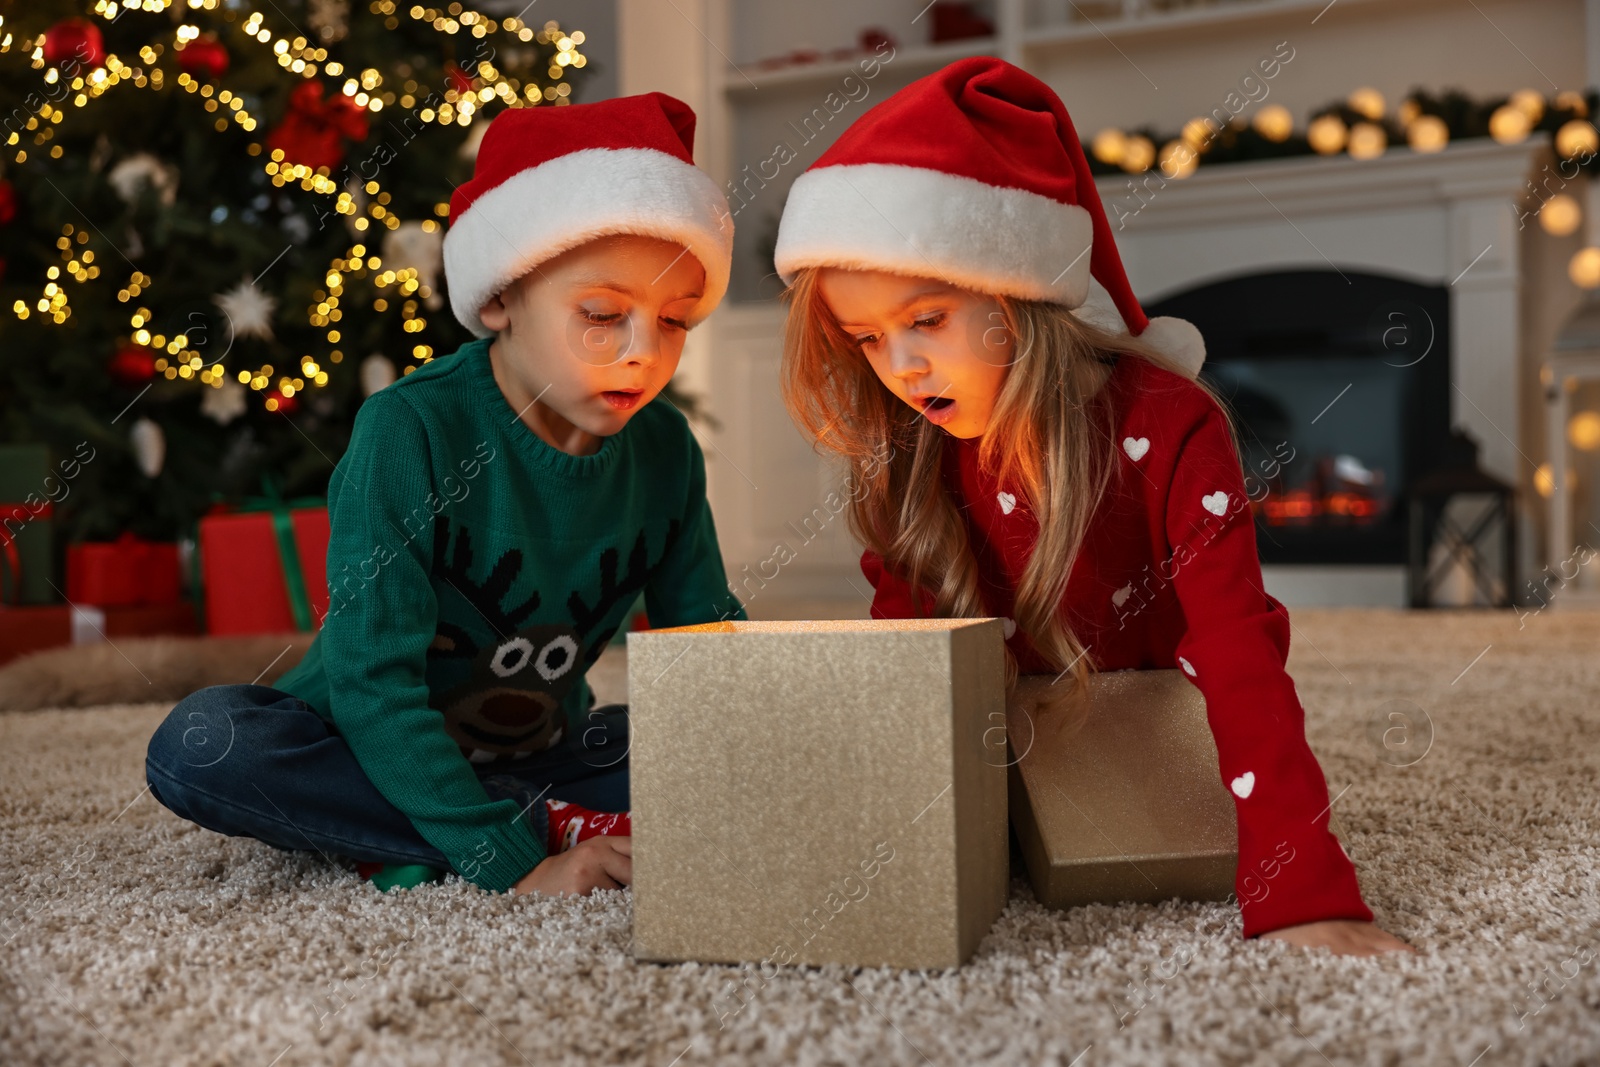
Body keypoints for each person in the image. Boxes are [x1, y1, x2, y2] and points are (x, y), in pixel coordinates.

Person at [772, 57, 1415, 956]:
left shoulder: (1169, 424)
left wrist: (1303, 888)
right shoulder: (914, 448)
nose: (902, 368)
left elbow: (1239, 655)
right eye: (869, 339)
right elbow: (907, 680)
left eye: (926, 319)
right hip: (1006, 747)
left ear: (1018, 292)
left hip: (1149, 745)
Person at [146, 92, 744, 898]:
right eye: (601, 314)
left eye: (674, 321)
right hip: (356, 739)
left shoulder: (665, 449)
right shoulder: (409, 431)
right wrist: (514, 859)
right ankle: (526, 824)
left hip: (546, 748)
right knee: (205, 742)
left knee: (721, 751)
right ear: (499, 297)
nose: (644, 352)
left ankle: (436, 827)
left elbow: (707, 647)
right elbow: (372, 683)